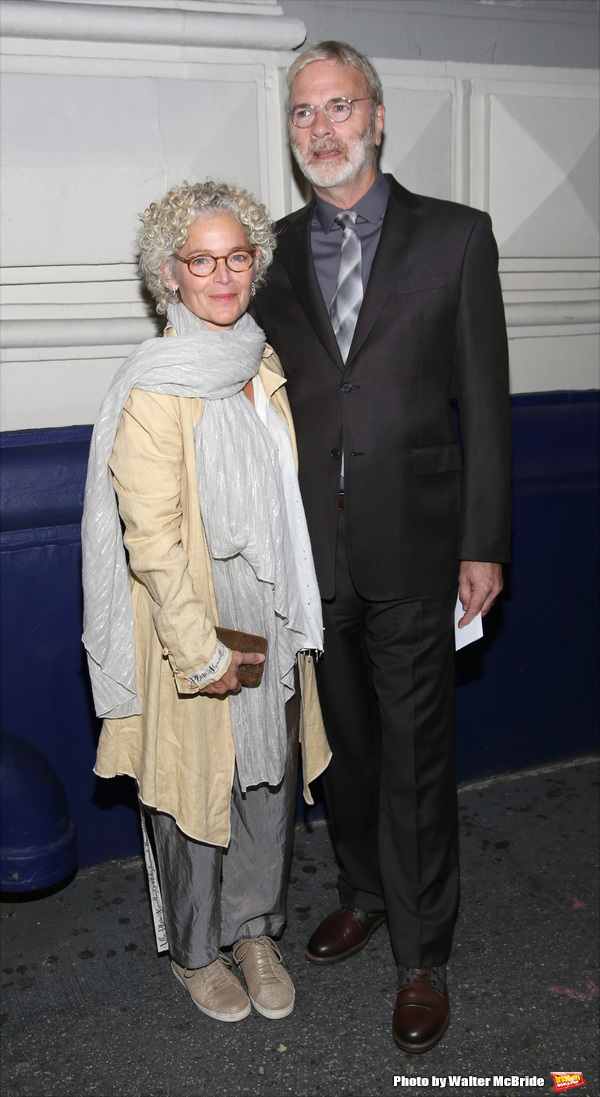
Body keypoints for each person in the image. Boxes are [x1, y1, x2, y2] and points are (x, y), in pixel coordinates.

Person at [252, 41, 511, 1053]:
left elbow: (484, 402)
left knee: (414, 757)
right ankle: (362, 886)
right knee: (344, 751)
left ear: (379, 114)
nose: (322, 128)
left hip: (420, 543)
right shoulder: (266, 254)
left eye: (338, 106)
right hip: (308, 551)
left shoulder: (458, 238)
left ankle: (421, 952)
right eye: (303, 114)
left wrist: (484, 538)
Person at [82, 180, 330, 1025]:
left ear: (255, 263)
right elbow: (150, 540)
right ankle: (197, 952)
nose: (222, 276)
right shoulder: (155, 386)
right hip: (189, 619)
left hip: (268, 608)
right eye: (202, 261)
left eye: (237, 257)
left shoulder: (260, 362)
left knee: (266, 776)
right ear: (169, 273)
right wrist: (200, 651)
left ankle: (254, 928)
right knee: (193, 792)